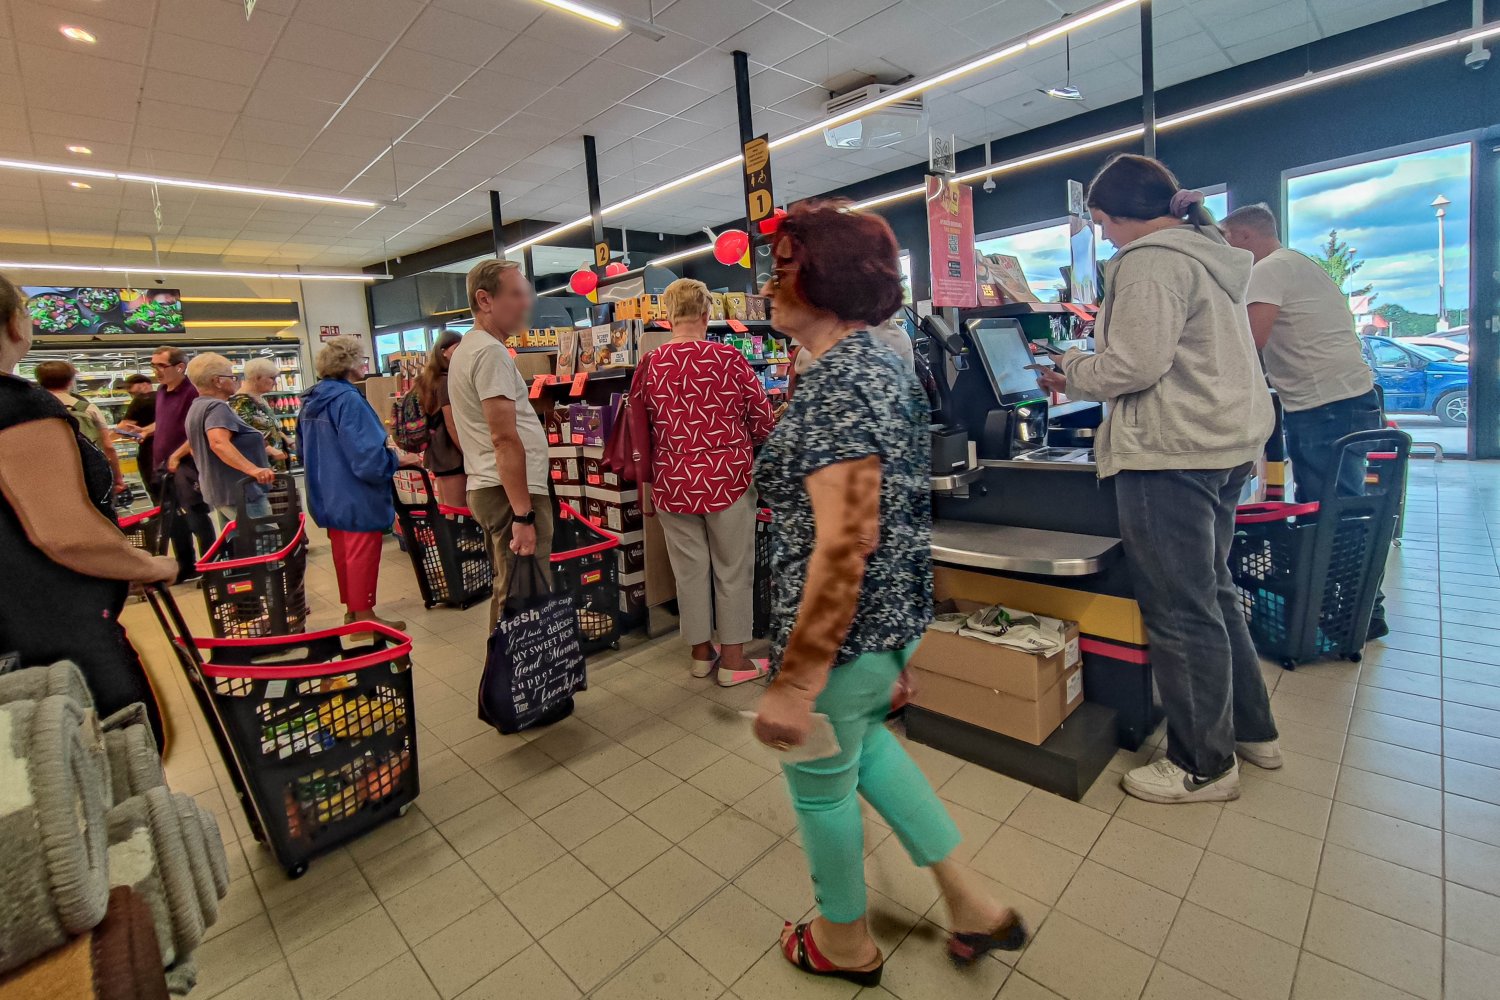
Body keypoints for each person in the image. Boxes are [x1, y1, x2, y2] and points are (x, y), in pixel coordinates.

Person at [750, 203, 1026, 987]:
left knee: (820, 791)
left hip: (840, 639)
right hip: (885, 627)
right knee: (867, 748)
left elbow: (844, 544)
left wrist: (797, 682)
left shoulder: (838, 382)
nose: (769, 286)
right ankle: (972, 904)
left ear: (827, 278)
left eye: (784, 268)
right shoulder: (878, 362)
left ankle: (843, 942)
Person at [1037, 154, 1280, 804]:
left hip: (1171, 451)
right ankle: (1251, 729)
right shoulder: (1207, 255)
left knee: (1179, 609)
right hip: (1223, 444)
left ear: (1118, 214)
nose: (1103, 234)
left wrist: (1072, 367)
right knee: (1213, 593)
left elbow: (1134, 366)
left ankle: (1203, 765)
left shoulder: (1148, 262)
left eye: (1101, 222)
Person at [0, 273, 177, 745]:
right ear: (15, 324)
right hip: (49, 631)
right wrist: (145, 565)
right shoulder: (17, 407)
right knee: (115, 754)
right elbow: (66, 534)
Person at [1222, 203, 1388, 638]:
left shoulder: (1268, 269)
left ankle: (1358, 614)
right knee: (1334, 507)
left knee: (1334, 511)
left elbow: (1249, 341)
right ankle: (1340, 605)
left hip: (1326, 406)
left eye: (1226, 239)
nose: (1224, 249)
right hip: (1345, 400)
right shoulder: (1300, 264)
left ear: (1244, 237)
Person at [640, 278, 775, 686]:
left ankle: (701, 654)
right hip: (727, 480)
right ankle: (734, 661)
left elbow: (641, 429)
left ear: (668, 316)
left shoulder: (650, 364)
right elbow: (763, 421)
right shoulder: (729, 359)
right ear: (706, 313)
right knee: (732, 570)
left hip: (671, 481)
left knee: (689, 571)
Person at [448, 260, 553, 626]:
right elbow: (504, 438)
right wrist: (523, 514)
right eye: (516, 294)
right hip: (509, 493)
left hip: (496, 486)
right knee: (521, 596)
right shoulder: (488, 352)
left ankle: (515, 663)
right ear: (485, 300)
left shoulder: (472, 348)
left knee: (515, 589)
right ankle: (511, 665)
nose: (527, 302)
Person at [298, 336, 420, 629]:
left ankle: (353, 612)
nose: (365, 365)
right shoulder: (349, 400)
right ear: (348, 363)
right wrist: (398, 460)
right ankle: (365, 618)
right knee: (362, 555)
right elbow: (368, 459)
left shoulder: (312, 401)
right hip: (355, 493)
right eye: (362, 360)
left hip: (326, 492)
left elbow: (301, 451)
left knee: (344, 554)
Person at [183, 353, 277, 528]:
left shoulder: (197, 407)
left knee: (237, 540)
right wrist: (254, 469)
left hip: (219, 490)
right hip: (241, 492)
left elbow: (194, 449)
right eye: (231, 376)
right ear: (217, 381)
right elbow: (218, 443)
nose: (235, 380)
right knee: (264, 539)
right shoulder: (217, 407)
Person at [152, 345, 217, 581]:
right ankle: (185, 566)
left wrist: (178, 455)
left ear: (180, 367)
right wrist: (145, 431)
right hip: (162, 465)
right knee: (173, 519)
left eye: (161, 365)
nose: (156, 371)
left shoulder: (192, 392)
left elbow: (198, 430)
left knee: (196, 516)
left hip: (187, 465)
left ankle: (210, 567)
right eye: (153, 365)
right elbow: (164, 423)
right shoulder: (161, 391)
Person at [34, 360, 127, 497]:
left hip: (47, 473)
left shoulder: (31, 410)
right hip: (86, 472)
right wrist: (118, 479)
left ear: (39, 381)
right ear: (70, 381)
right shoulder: (88, 409)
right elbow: (108, 446)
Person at [415, 330, 466, 508]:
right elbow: (451, 423)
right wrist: (467, 453)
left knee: (446, 508)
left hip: (437, 451)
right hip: (450, 453)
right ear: (443, 351)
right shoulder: (445, 381)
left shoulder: (429, 379)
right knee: (457, 510)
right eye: (457, 348)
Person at [230, 357, 293, 473]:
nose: (275, 382)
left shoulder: (259, 399)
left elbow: (270, 427)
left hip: (273, 467)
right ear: (257, 378)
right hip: (260, 469)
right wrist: (269, 449)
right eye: (272, 378)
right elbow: (243, 436)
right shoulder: (240, 403)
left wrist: (287, 439)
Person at [116, 373, 158, 500]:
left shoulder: (140, 400)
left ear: (145, 385)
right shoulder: (164, 397)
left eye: (131, 387)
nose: (129, 391)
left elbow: (122, 429)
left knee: (157, 493)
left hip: (150, 451)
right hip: (169, 449)